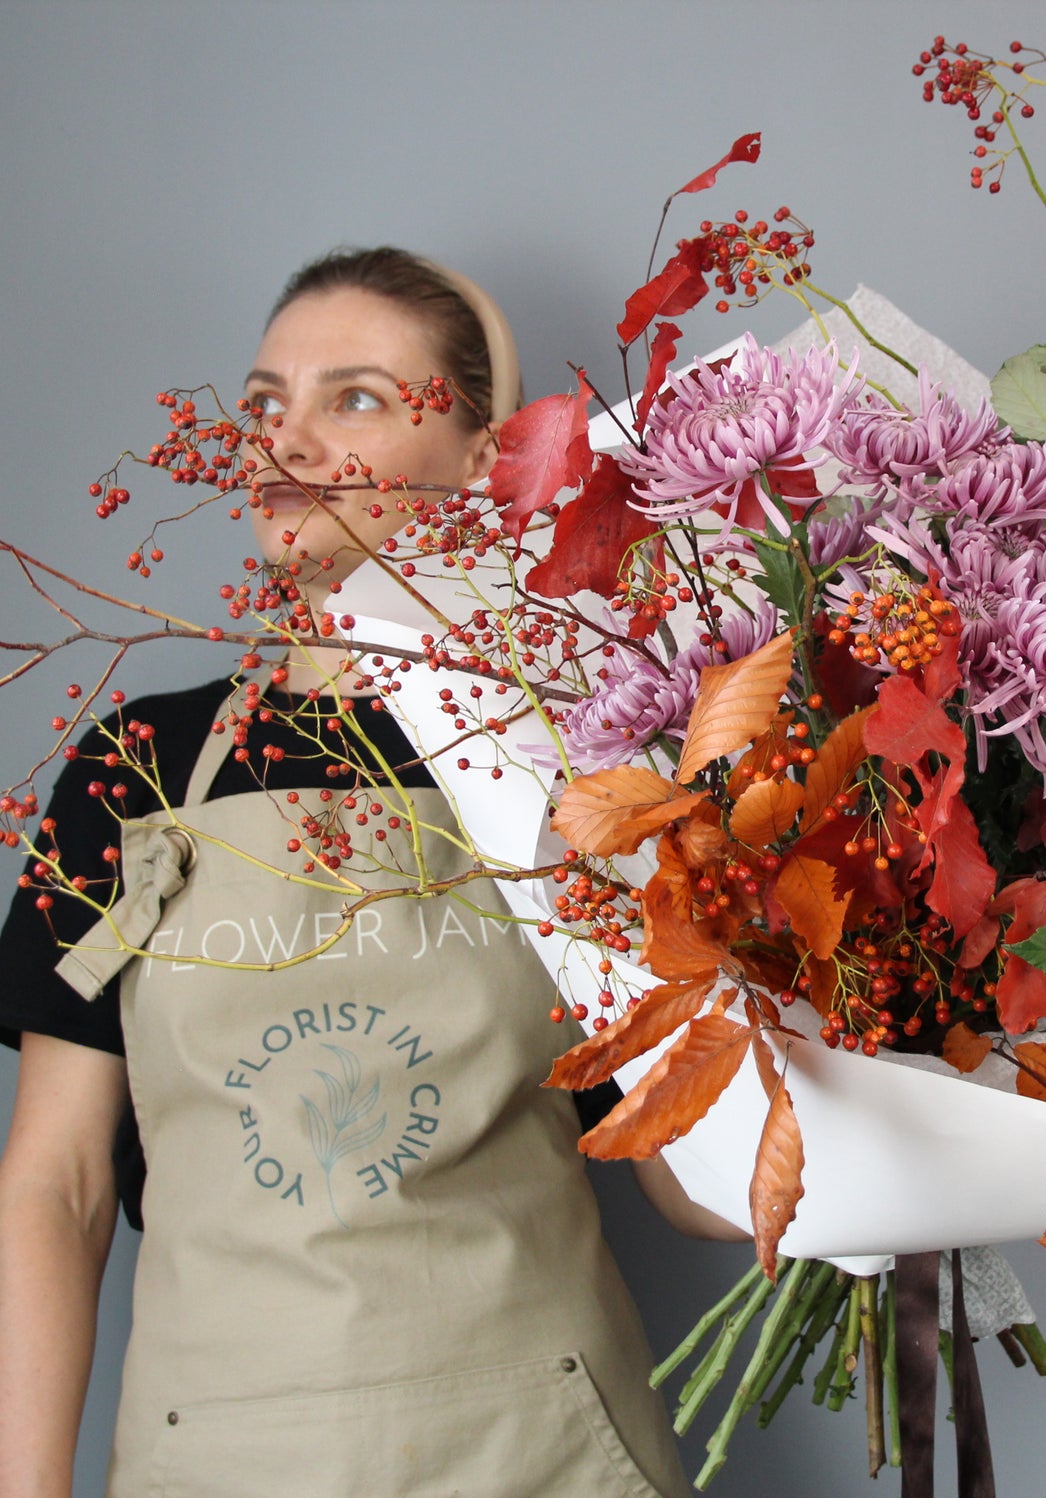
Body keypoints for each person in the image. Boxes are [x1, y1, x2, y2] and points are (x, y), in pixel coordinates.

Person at [0, 248, 725, 1497]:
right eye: (265, 401)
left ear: (486, 458)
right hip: (210, 1461)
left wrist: (896, 1065)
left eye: (356, 398)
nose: (287, 438)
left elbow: (687, 1185)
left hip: (544, 1455)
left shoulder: (569, 761)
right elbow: (57, 1186)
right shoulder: (138, 767)